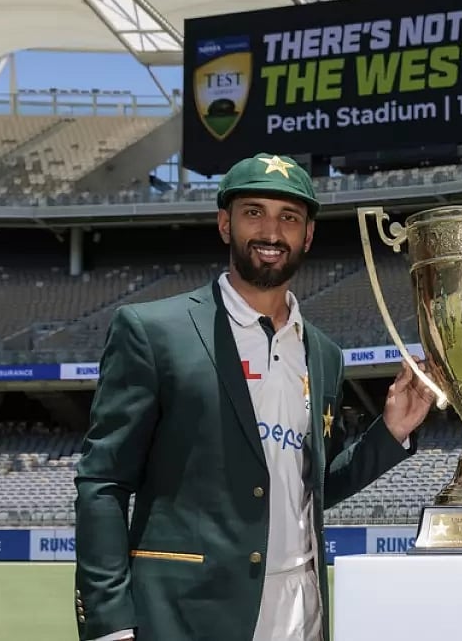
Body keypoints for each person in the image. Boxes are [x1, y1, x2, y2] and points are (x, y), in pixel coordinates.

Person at [73, 152, 434, 641]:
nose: (271, 232)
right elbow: (103, 482)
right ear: (225, 224)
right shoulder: (154, 331)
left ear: (307, 235)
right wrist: (109, 622)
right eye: (253, 212)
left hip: (301, 609)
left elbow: (308, 488)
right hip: (187, 614)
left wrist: (391, 432)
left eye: (289, 218)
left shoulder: (325, 354)